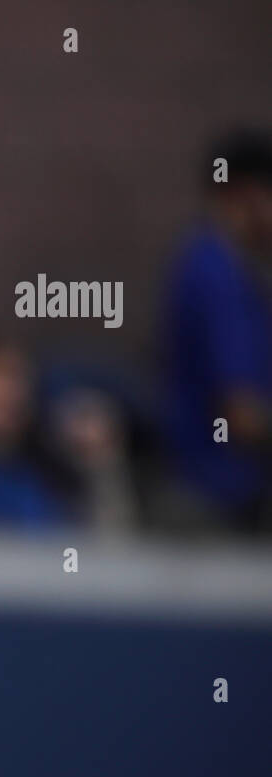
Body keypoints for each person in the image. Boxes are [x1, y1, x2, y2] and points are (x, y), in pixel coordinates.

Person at [161, 127, 272, 533]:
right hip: (213, 500)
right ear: (249, 196)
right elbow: (241, 415)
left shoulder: (235, 271)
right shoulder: (216, 274)